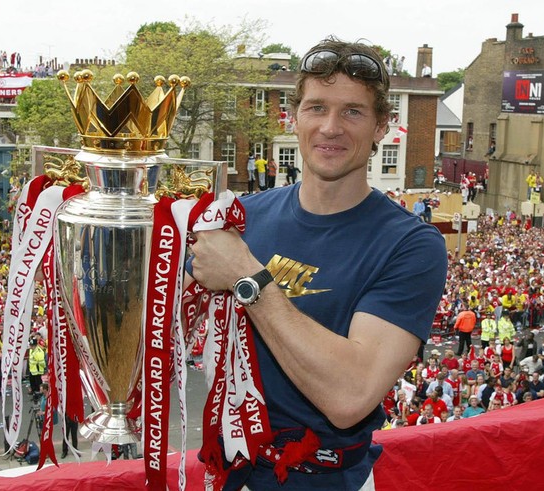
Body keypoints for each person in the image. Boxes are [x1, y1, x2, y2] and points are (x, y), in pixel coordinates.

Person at [189, 37, 447, 489]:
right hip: (230, 470)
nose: (331, 127)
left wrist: (249, 279)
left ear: (381, 126)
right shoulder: (243, 216)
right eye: (316, 108)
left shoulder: (411, 244)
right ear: (294, 116)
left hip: (327, 478)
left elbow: (350, 395)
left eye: (352, 111)